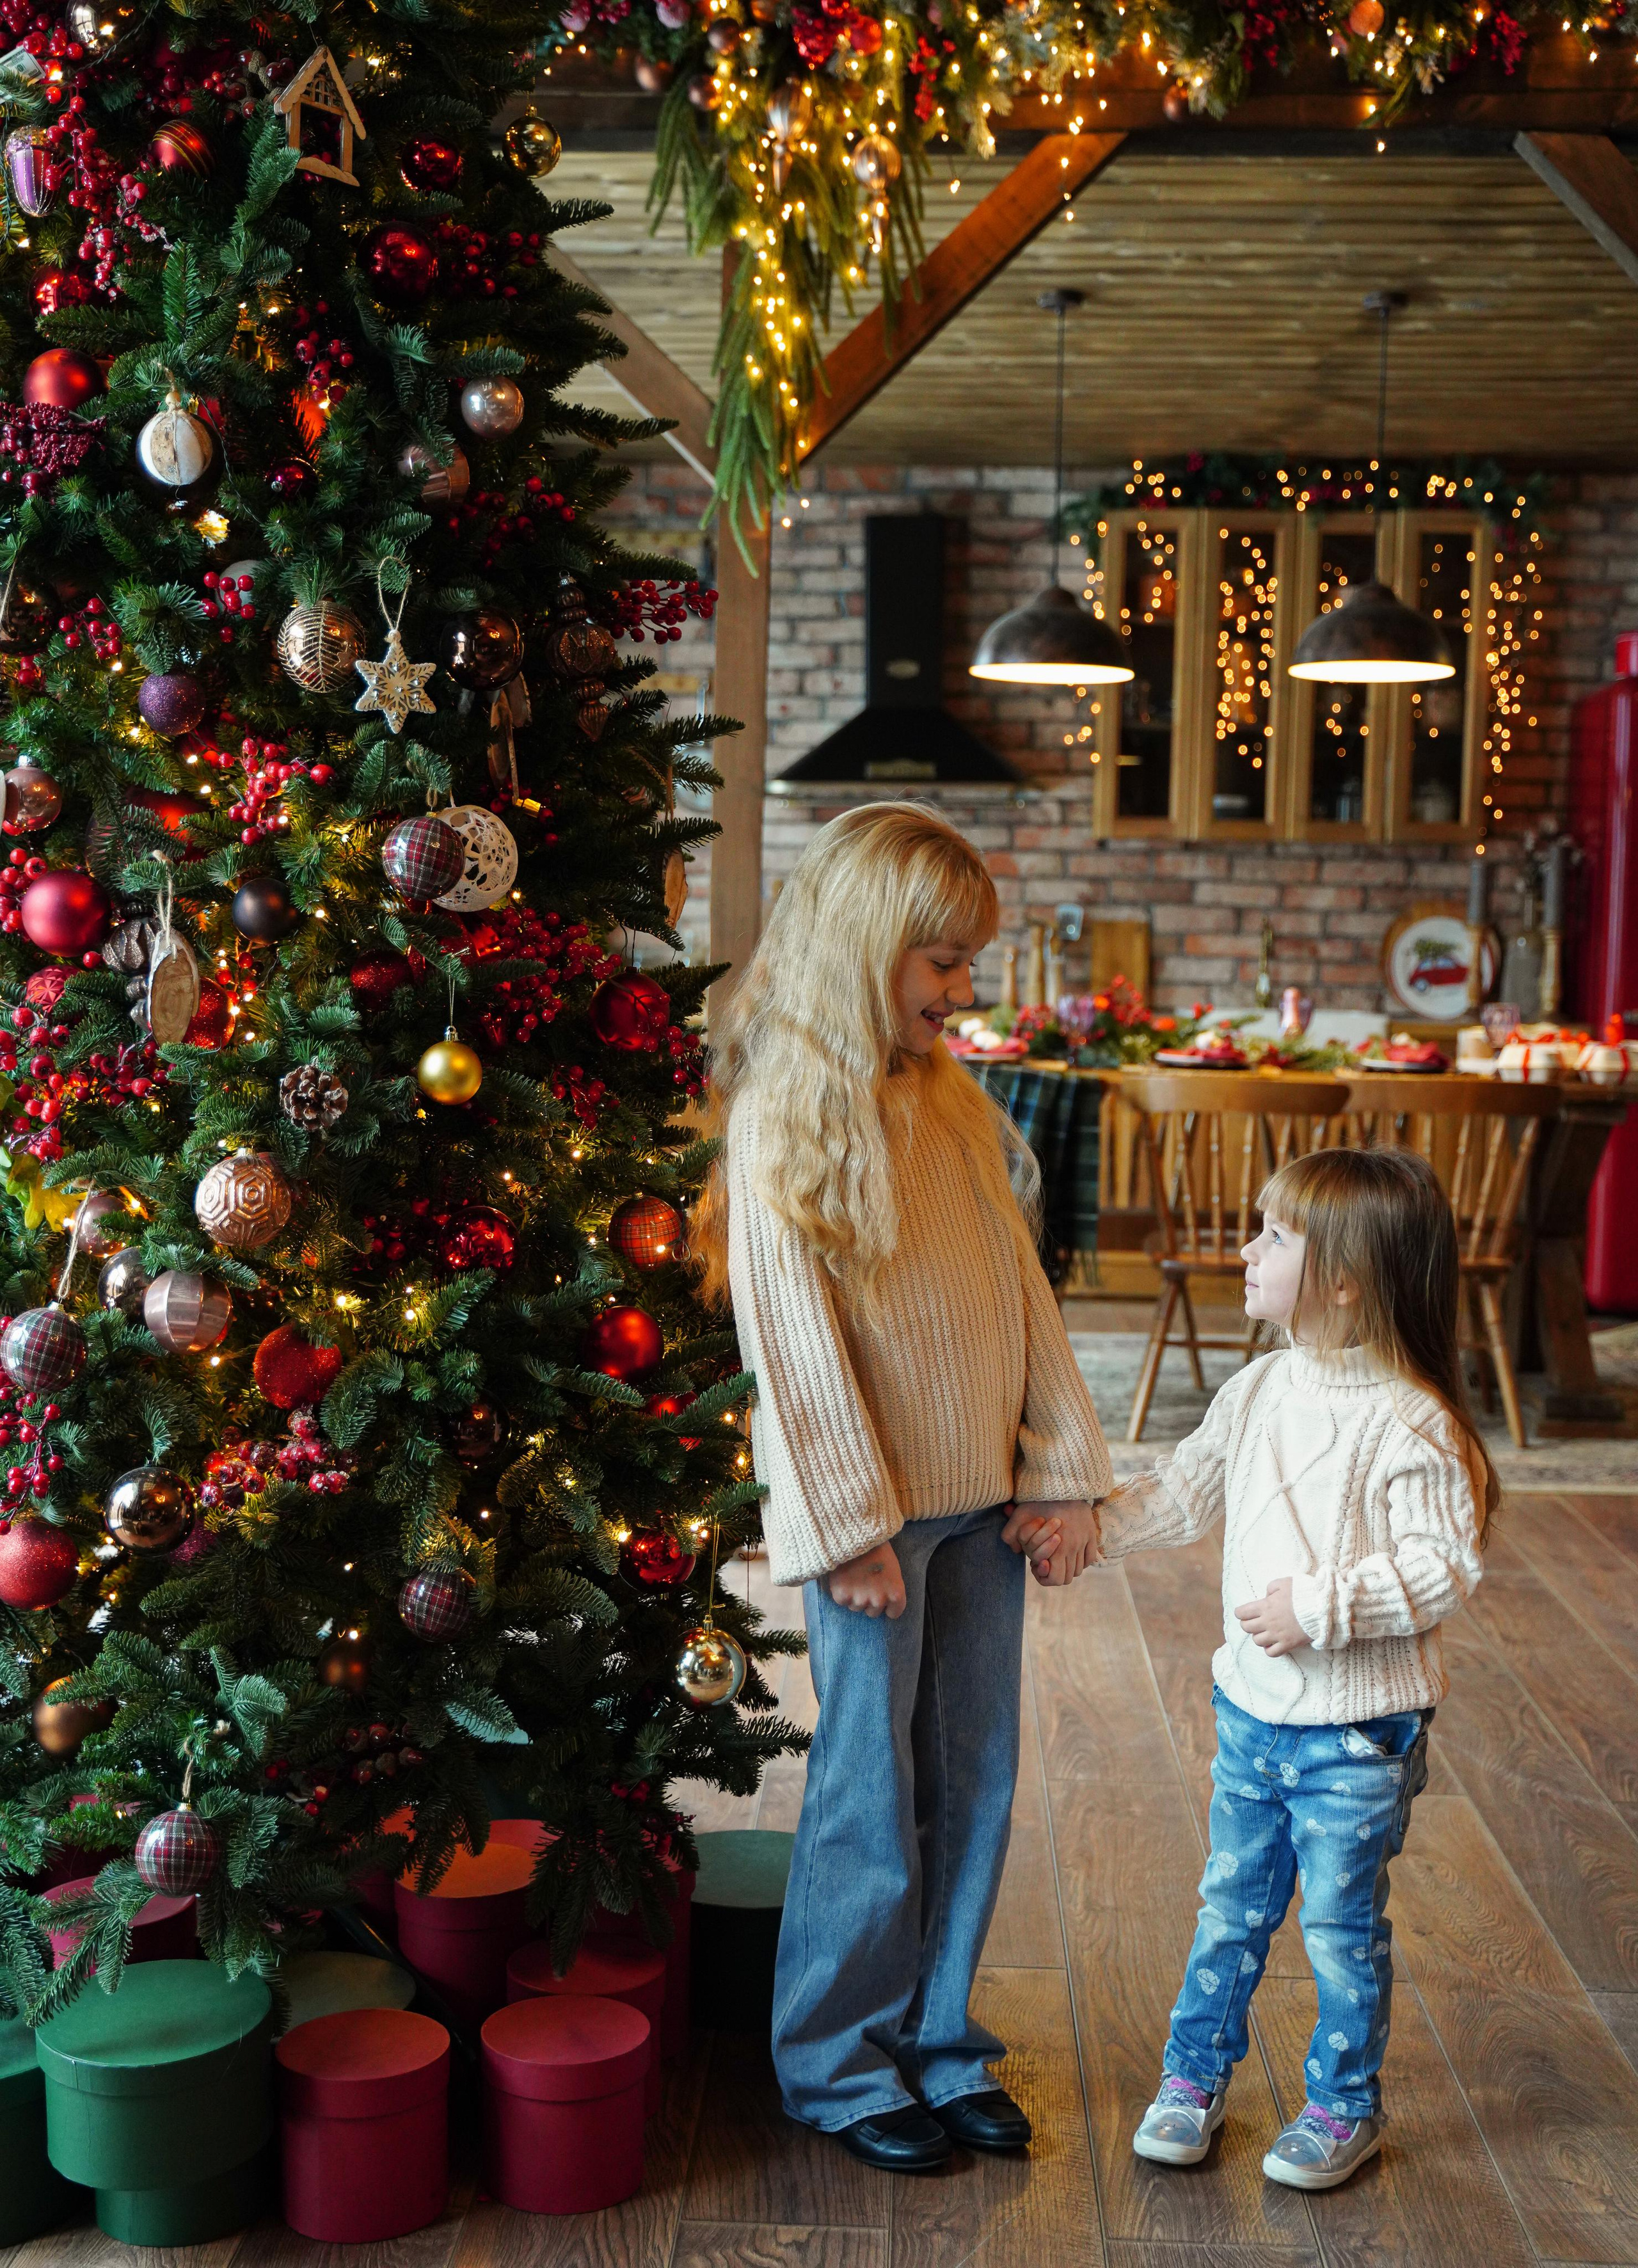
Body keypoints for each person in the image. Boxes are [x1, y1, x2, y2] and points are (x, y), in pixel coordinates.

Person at [692, 803, 1109, 2174]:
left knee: (972, 1774)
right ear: (864, 945)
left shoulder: (953, 1101)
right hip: (874, 1526)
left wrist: (1061, 1470)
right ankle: (834, 2056)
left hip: (984, 1507)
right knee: (869, 1787)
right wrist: (846, 1522)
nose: (962, 986)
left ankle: (937, 2035)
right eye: (939, 957)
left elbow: (1021, 1299)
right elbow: (789, 1339)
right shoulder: (786, 1115)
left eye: (966, 959)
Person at [1097, 1145, 1493, 2190]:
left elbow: (1444, 1567)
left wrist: (1317, 1608)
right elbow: (1185, 1493)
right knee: (1229, 1906)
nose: (1246, 1249)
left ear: (1347, 1280)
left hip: (1357, 1736)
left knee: (1336, 1926)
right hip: (1252, 1714)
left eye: (1274, 1235)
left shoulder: (1412, 1422)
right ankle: (1193, 2080)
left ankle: (1342, 2106)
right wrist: (1081, 1529)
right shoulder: (1259, 1387)